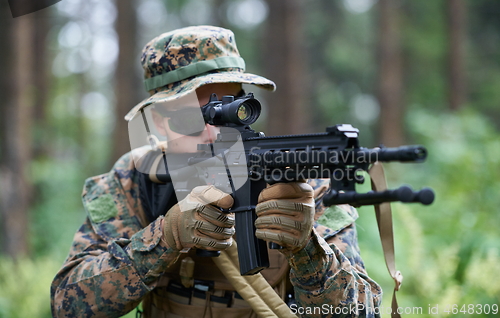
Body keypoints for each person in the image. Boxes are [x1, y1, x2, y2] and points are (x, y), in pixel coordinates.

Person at [50, 25, 382, 318]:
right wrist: (164, 237)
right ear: (160, 122)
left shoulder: (299, 176)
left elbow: (363, 313)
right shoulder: (136, 179)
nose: (213, 132)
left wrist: (308, 250)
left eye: (230, 109)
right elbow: (67, 304)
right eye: (190, 119)